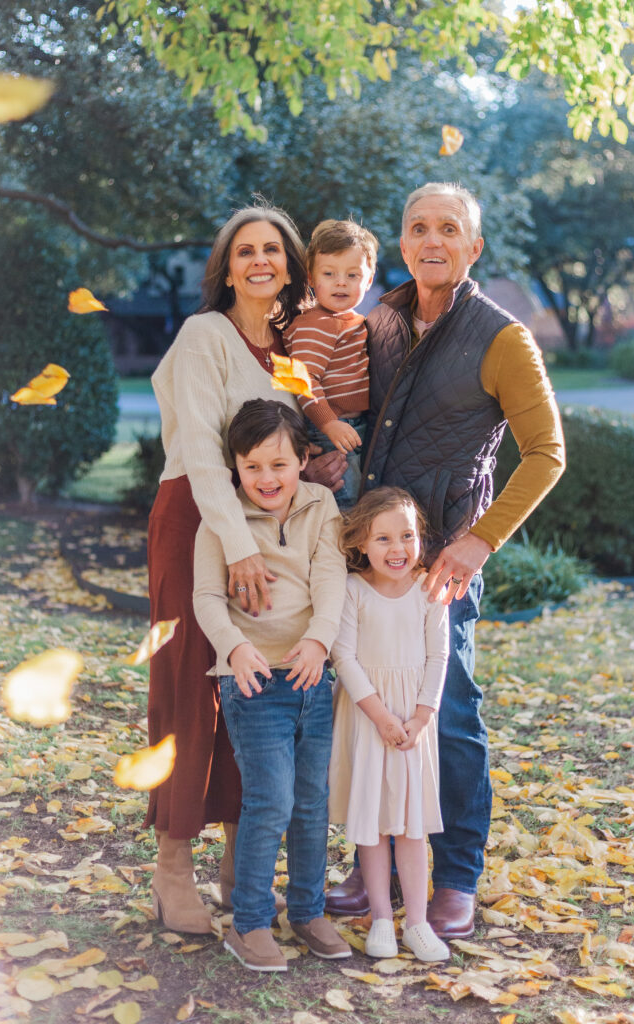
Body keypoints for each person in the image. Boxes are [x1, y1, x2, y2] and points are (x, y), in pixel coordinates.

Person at [325, 182, 566, 939]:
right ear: (401, 243)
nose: (432, 240)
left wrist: (475, 541)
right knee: (371, 714)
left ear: (473, 248)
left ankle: (454, 873)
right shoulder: (383, 318)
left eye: (449, 229)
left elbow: (547, 455)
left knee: (448, 713)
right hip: (373, 563)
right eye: (418, 227)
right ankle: (377, 873)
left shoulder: (502, 339)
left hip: (439, 570)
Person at [146, 204, 313, 934]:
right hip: (196, 516)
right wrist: (236, 546)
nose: (258, 261)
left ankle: (238, 862)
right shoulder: (201, 335)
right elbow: (209, 456)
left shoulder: (286, 349)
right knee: (189, 685)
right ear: (226, 266)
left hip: (261, 525)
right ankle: (171, 864)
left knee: (256, 679)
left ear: (289, 263)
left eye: (271, 249)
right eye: (244, 250)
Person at [192, 399, 350, 972]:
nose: (266, 479)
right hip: (253, 681)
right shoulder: (223, 517)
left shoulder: (321, 505)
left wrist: (320, 640)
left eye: (279, 464)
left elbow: (332, 578)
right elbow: (207, 597)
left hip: (312, 674)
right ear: (235, 467)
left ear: (303, 459)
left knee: (312, 804)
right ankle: (250, 922)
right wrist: (234, 649)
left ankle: (307, 911)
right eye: (252, 466)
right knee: (271, 801)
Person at [329, 487, 450, 962]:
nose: (397, 549)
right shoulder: (353, 590)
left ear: (421, 538)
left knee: (412, 826)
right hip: (369, 718)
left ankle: (417, 923)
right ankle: (381, 918)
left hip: (413, 724)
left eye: (407, 536)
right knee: (373, 825)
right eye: (383, 539)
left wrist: (422, 716)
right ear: (361, 542)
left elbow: (439, 656)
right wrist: (380, 716)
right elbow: (345, 656)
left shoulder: (429, 589)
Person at [284, 219, 377, 508]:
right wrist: (329, 424)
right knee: (344, 506)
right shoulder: (317, 324)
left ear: (369, 280)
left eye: (352, 275)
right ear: (312, 279)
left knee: (360, 499)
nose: (341, 282)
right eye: (329, 273)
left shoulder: (351, 321)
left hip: (349, 425)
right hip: (329, 428)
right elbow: (301, 379)